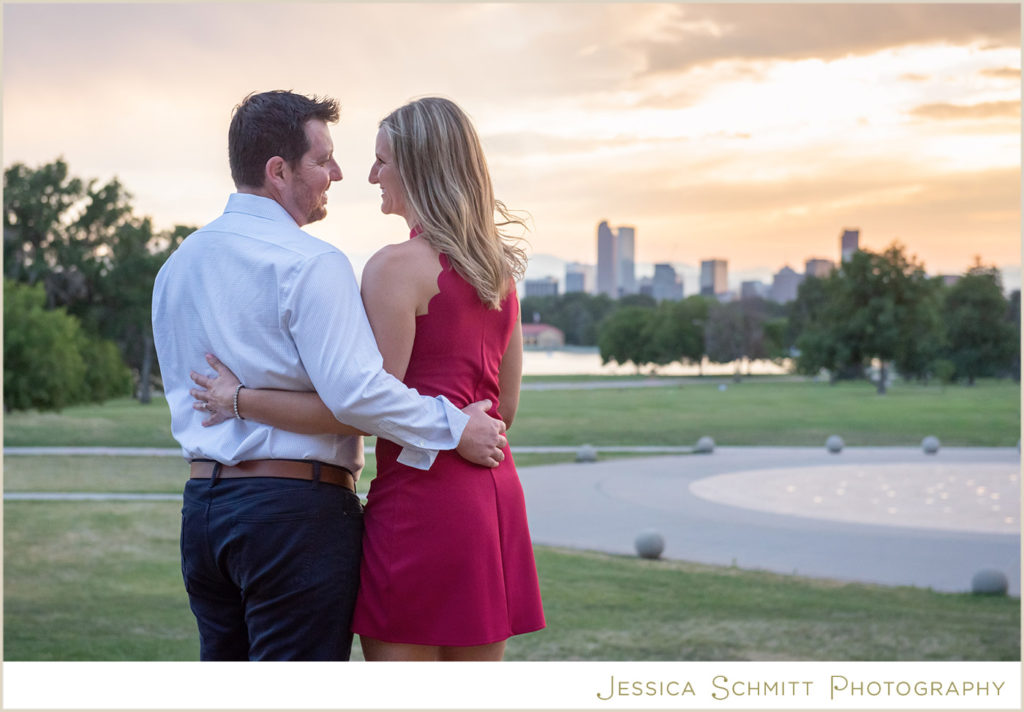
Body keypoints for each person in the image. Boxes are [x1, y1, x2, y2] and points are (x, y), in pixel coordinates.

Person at [152, 90, 509, 662]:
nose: (338, 174)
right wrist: (453, 425)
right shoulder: (311, 262)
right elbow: (359, 395)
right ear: (277, 171)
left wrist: (239, 401)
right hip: (295, 513)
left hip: (203, 512)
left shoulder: (176, 267)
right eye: (322, 161)